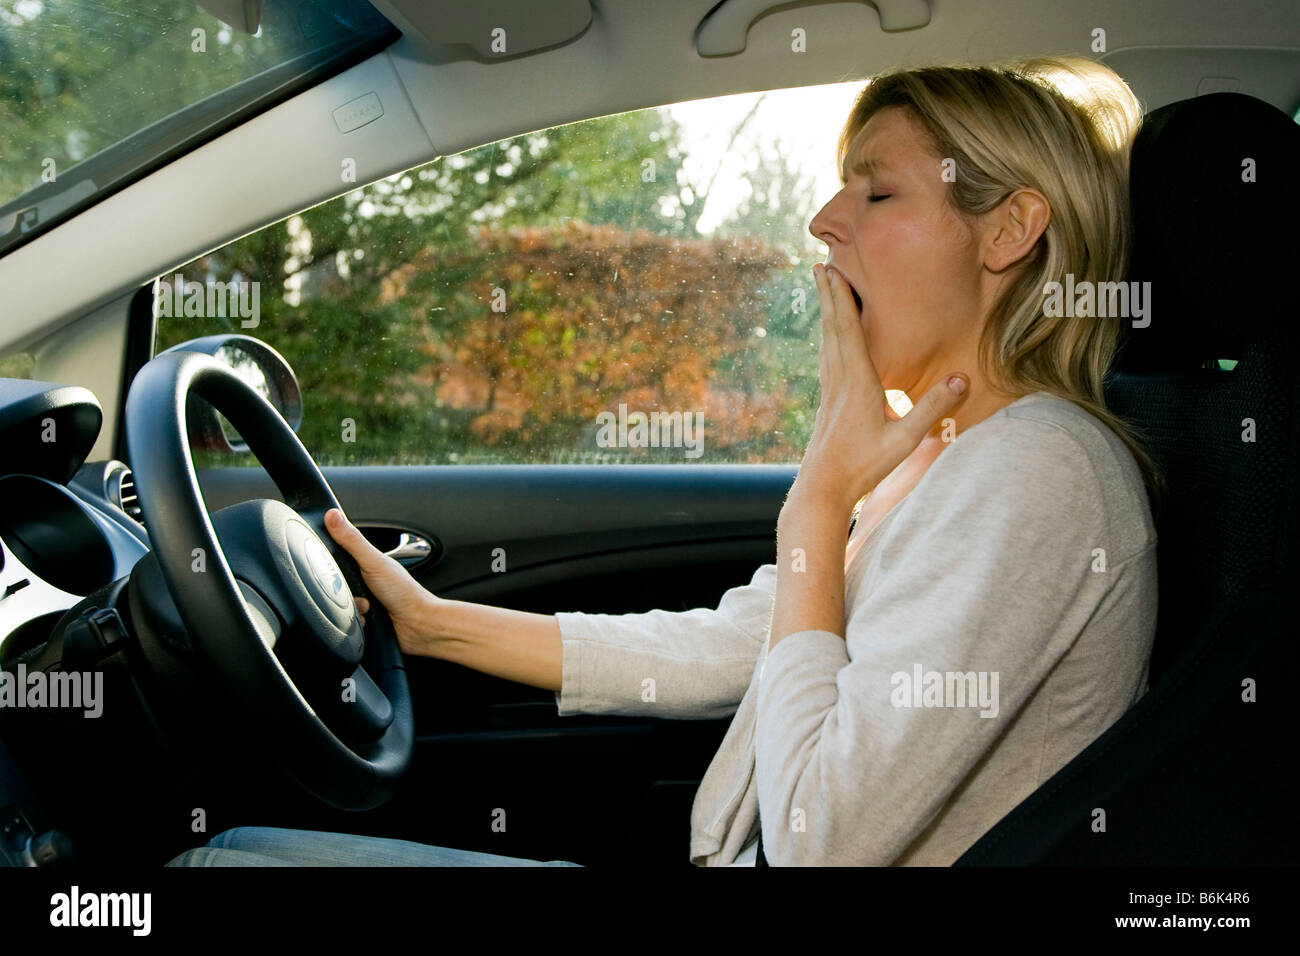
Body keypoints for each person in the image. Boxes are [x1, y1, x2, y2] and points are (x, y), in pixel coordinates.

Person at [168, 54, 1161, 867]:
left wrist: (817, 503)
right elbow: (743, 644)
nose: (823, 218)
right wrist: (436, 627)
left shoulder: (1038, 472)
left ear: (1009, 230)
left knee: (218, 864)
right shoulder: (949, 458)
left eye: (877, 188)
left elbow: (827, 839)